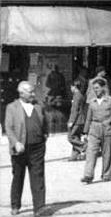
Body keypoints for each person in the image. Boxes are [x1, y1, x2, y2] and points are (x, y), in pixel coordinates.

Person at [5, 81, 49, 216]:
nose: (33, 94)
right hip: (20, 149)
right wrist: (15, 142)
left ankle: (39, 207)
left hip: (37, 147)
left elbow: (45, 122)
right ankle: (15, 205)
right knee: (18, 176)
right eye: (30, 91)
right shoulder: (12, 107)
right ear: (22, 93)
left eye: (33, 91)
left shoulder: (38, 106)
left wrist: (45, 135)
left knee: (38, 176)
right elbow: (8, 128)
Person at [82, 78, 111, 184]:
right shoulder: (92, 102)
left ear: (103, 88)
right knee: (90, 152)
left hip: (106, 128)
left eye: (97, 88)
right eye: (94, 89)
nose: (96, 90)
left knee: (106, 152)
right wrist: (85, 132)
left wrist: (108, 122)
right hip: (94, 128)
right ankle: (88, 175)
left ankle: (106, 174)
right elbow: (88, 118)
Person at [67, 79, 87, 161]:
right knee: (76, 137)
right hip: (81, 119)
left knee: (70, 137)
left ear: (74, 87)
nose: (70, 89)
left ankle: (84, 146)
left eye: (71, 87)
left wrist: (71, 121)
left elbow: (74, 110)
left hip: (77, 120)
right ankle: (74, 155)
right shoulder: (80, 95)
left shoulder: (76, 96)